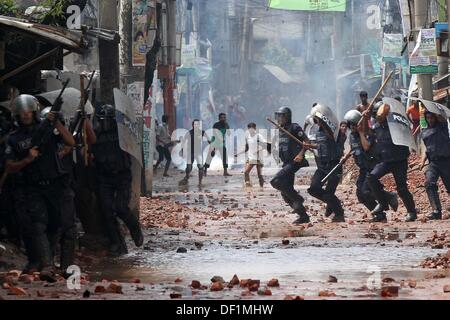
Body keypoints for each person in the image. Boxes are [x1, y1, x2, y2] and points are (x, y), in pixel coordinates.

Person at [5, 94, 75, 276]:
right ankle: (47, 266)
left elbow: (71, 142)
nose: (26, 115)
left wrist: (55, 122)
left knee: (62, 226)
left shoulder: (46, 128)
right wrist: (27, 159)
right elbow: (9, 166)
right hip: (33, 187)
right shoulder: (14, 138)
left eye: (29, 111)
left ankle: (64, 267)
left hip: (56, 185)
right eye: (22, 112)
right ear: (17, 115)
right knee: (38, 225)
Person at [92, 104, 144, 257]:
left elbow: (134, 146)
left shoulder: (123, 135)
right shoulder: (96, 135)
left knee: (121, 207)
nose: (104, 123)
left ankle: (135, 228)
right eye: (102, 120)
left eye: (107, 120)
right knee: (107, 210)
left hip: (122, 175)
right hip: (104, 176)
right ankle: (116, 242)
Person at [366, 103, 418, 222]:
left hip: (399, 160)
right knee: (371, 177)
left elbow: (406, 132)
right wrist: (364, 118)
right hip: (385, 160)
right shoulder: (376, 127)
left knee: (402, 188)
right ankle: (384, 202)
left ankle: (411, 212)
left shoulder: (396, 125)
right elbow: (368, 135)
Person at [344, 110, 398, 222]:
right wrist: (346, 156)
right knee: (360, 195)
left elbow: (366, 147)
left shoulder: (368, 133)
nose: (353, 127)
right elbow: (354, 148)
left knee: (366, 191)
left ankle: (388, 197)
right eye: (351, 125)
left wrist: (360, 133)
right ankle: (380, 215)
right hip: (363, 168)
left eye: (355, 124)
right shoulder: (352, 136)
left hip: (371, 167)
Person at [270, 107, 310, 225]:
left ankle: (298, 199)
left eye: (281, 116)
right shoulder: (280, 130)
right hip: (286, 162)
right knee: (286, 194)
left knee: (275, 181)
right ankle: (303, 216)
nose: (279, 119)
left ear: (287, 117)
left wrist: (301, 154)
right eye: (278, 116)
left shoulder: (294, 127)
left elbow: (307, 142)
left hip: (294, 162)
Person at [307, 104, 345, 223]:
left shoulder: (333, 131)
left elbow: (329, 135)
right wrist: (309, 146)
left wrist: (321, 119)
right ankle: (333, 204)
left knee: (328, 194)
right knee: (313, 188)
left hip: (334, 166)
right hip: (322, 166)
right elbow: (321, 145)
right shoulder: (318, 131)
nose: (316, 121)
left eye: (317, 119)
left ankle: (339, 213)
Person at [419, 111, 450, 220]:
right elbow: (427, 149)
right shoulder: (425, 132)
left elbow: (442, 119)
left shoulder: (442, 127)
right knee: (429, 183)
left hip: (446, 161)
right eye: (428, 118)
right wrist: (422, 161)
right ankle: (436, 211)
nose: (430, 120)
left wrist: (436, 112)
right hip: (433, 163)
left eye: (432, 117)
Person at [179, 119, 210, 186]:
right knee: (189, 168)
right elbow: (183, 142)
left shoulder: (202, 132)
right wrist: (182, 150)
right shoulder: (189, 133)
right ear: (192, 125)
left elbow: (209, 140)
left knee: (200, 167)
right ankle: (186, 177)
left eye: (197, 124)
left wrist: (212, 145)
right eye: (194, 124)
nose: (196, 126)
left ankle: (200, 182)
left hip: (198, 153)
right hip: (190, 152)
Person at [243, 123, 271, 188]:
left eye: (252, 128)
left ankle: (261, 187)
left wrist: (260, 150)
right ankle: (248, 186)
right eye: (249, 129)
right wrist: (239, 153)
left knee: (258, 174)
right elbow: (247, 147)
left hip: (258, 157)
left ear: (255, 128)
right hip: (251, 157)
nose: (251, 130)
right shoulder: (248, 137)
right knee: (247, 172)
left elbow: (264, 144)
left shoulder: (259, 136)